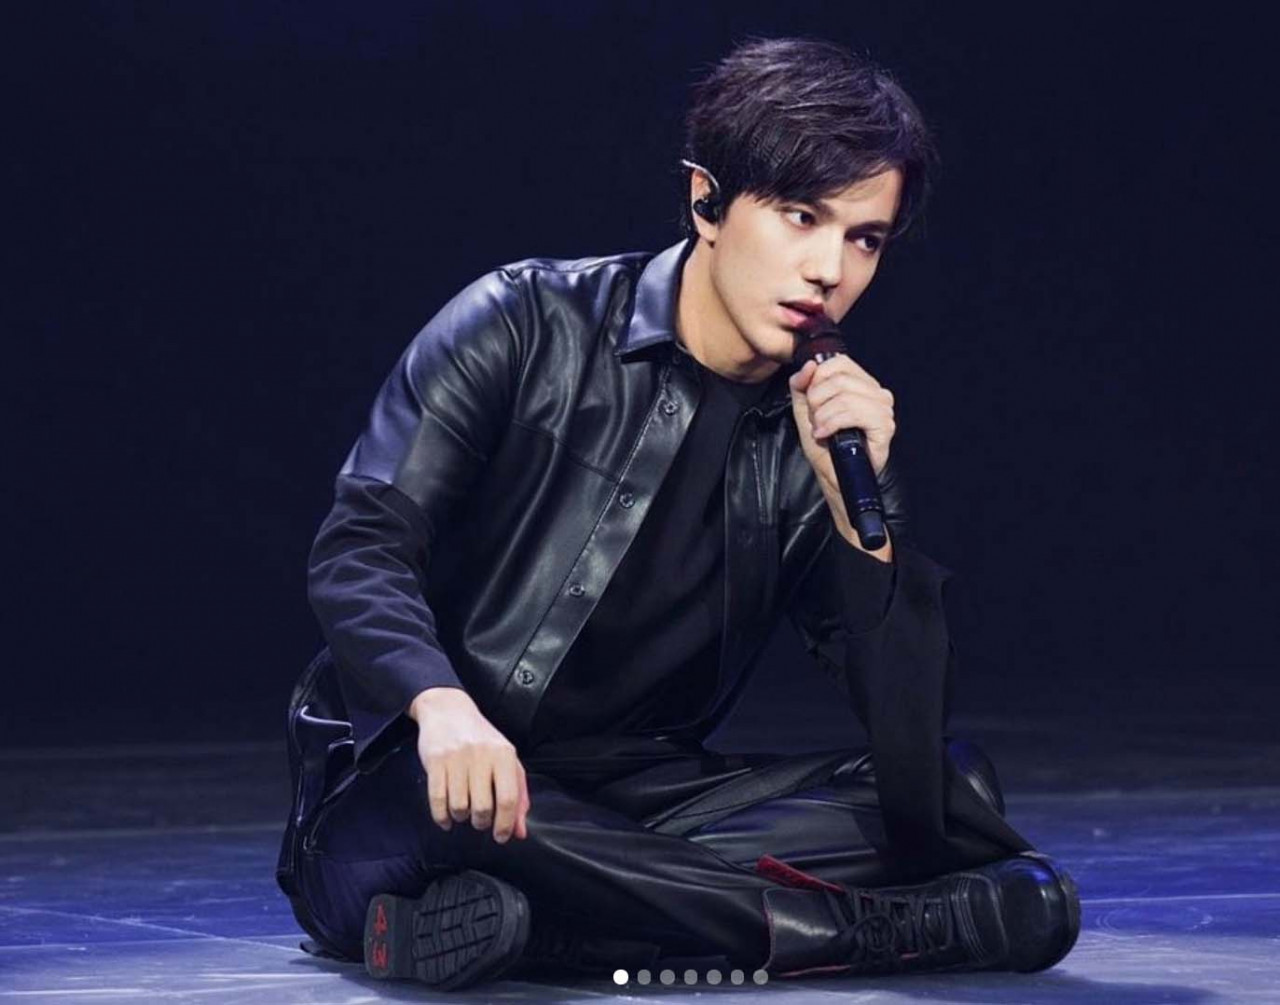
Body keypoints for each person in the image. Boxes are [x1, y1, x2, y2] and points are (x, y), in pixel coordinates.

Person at [275, 35, 1081, 991]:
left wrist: (859, 530)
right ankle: (861, 930)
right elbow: (360, 548)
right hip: (420, 777)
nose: (830, 268)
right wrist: (438, 703)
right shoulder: (524, 320)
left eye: (864, 238)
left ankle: (557, 931)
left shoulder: (827, 434)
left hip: (640, 803)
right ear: (706, 200)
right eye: (801, 216)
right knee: (450, 803)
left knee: (953, 790)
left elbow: (906, 753)